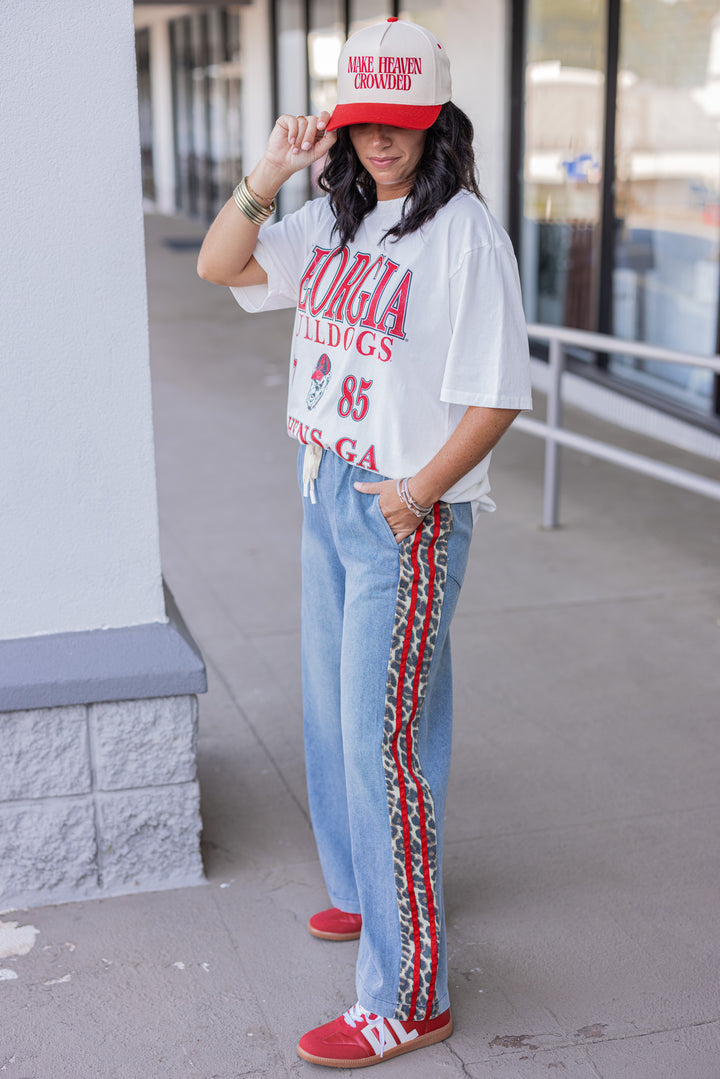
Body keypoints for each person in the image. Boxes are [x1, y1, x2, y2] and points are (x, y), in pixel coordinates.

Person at [197, 16, 532, 1069]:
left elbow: (496, 395)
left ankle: (408, 990)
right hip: (326, 487)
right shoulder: (334, 222)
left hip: (403, 508)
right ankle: (363, 892)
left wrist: (414, 492)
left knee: (379, 746)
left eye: (399, 123)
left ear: (435, 123)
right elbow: (219, 263)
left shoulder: (463, 233)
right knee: (340, 717)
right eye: (363, 123)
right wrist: (271, 168)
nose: (381, 140)